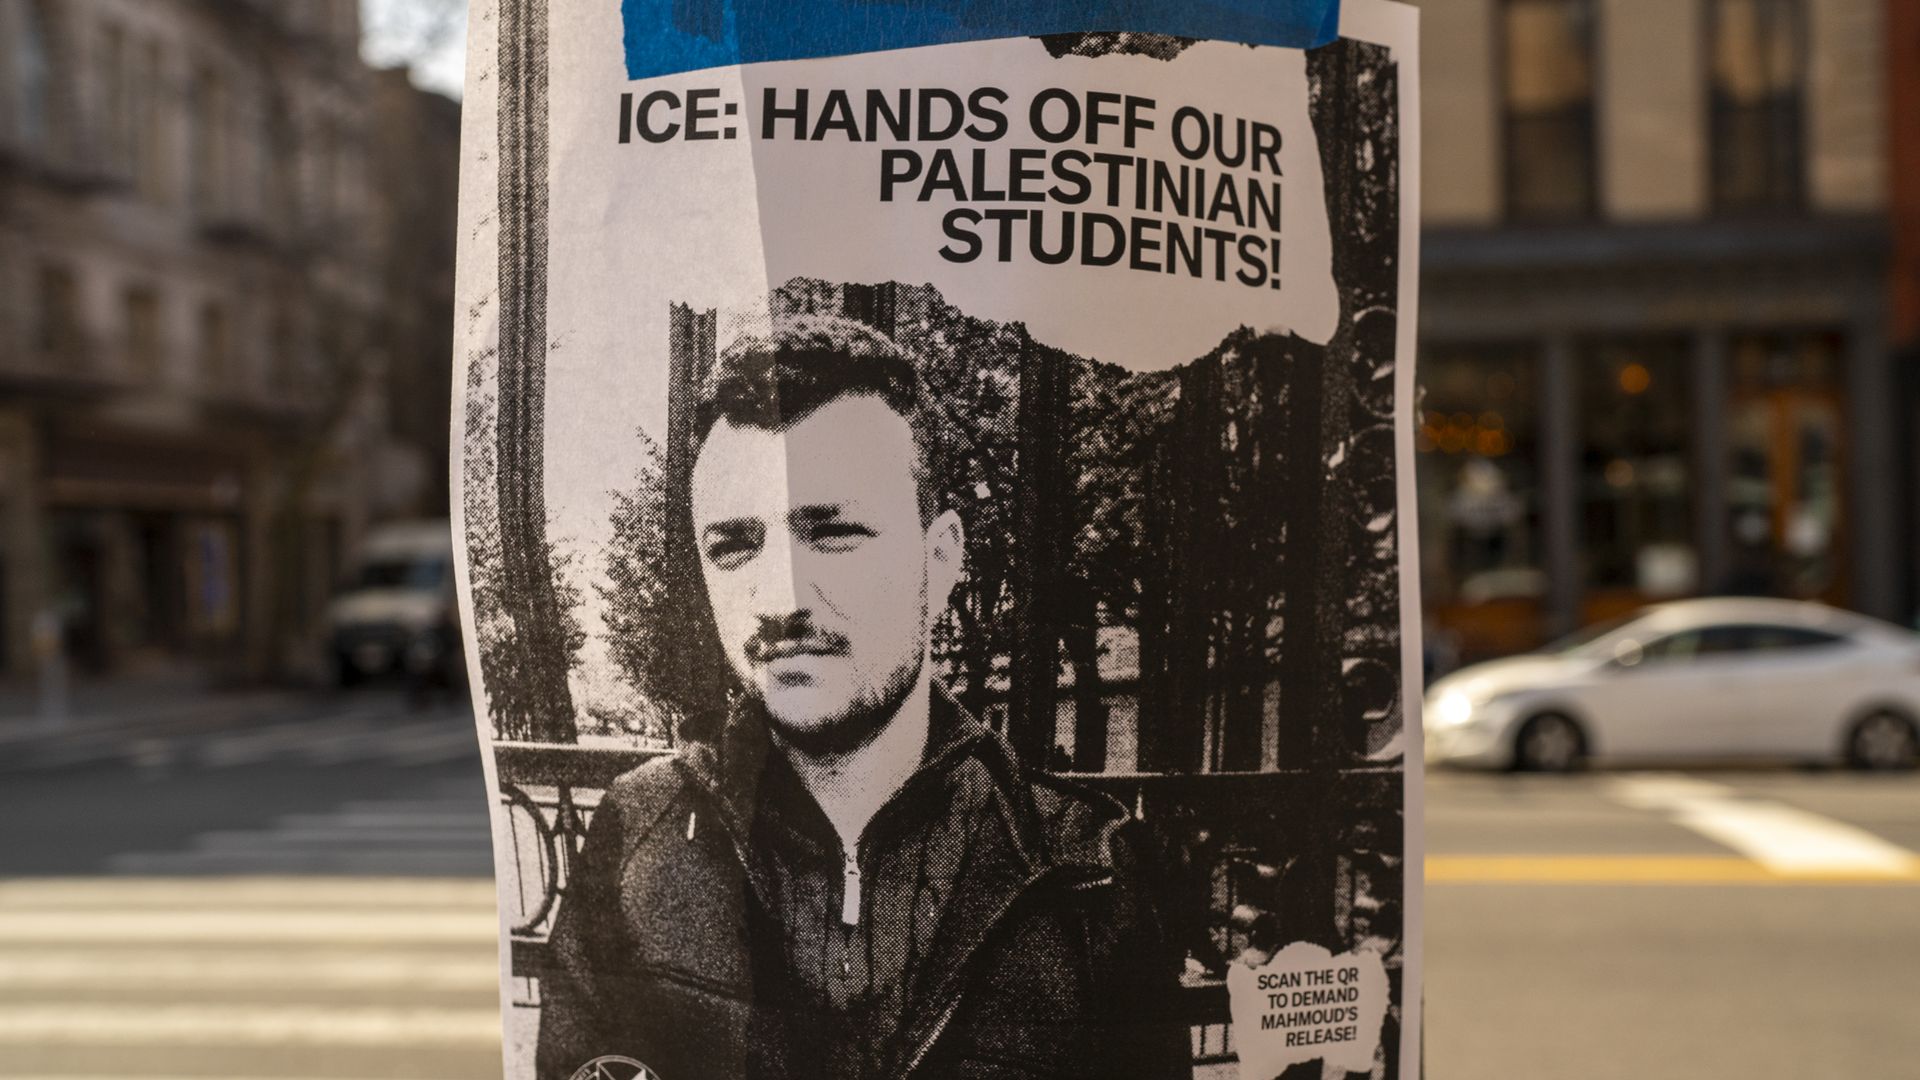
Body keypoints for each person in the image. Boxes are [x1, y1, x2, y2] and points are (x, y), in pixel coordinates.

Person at [536, 314, 1189, 1080]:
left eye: (834, 532)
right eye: (735, 545)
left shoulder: (1088, 873)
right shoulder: (635, 832)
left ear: (939, 560)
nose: (778, 598)